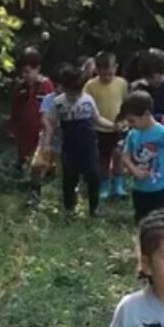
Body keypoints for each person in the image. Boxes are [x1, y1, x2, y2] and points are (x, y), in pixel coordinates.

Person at [52, 64, 116, 217]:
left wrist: (113, 126)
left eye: (77, 93)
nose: (74, 96)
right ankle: (69, 208)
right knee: (69, 177)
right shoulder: (59, 103)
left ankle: (94, 208)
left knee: (94, 175)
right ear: (64, 88)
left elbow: (97, 119)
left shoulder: (87, 100)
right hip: (69, 144)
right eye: (70, 93)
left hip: (88, 143)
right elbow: (54, 124)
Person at [122, 90, 164, 224]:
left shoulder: (163, 133)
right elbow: (125, 156)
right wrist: (134, 170)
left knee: (158, 220)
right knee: (141, 219)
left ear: (146, 115)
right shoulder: (133, 134)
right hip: (139, 188)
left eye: (132, 120)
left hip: (160, 187)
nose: (130, 124)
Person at [84, 50, 130, 202]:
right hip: (99, 128)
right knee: (103, 158)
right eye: (103, 74)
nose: (107, 77)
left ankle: (118, 184)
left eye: (110, 74)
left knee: (118, 155)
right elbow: (87, 106)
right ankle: (104, 184)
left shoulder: (122, 84)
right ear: (96, 70)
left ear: (116, 68)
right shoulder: (90, 86)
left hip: (119, 127)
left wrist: (125, 121)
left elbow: (126, 104)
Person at [8, 47, 54, 172]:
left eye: (28, 72)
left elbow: (51, 109)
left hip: (40, 132)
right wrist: (13, 125)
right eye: (23, 72)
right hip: (23, 133)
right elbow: (15, 108)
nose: (25, 75)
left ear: (37, 68)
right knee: (23, 158)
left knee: (38, 161)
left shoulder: (46, 86)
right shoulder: (20, 87)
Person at [27, 82, 61, 208]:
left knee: (66, 171)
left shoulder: (74, 99)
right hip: (48, 138)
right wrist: (46, 142)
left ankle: (67, 201)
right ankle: (34, 198)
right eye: (59, 85)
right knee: (36, 166)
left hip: (65, 139)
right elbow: (45, 120)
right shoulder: (49, 99)